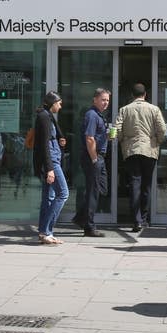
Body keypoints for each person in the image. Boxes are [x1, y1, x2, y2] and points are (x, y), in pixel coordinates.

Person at [113, 83, 167, 232]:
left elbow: (117, 130)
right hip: (149, 150)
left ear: (132, 95)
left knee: (134, 183)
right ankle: (144, 218)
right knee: (146, 185)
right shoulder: (154, 109)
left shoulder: (124, 110)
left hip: (131, 150)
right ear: (145, 95)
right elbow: (162, 129)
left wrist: (124, 140)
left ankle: (135, 220)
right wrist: (157, 141)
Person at [72, 88, 111, 238]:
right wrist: (94, 159)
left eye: (107, 100)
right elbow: (89, 138)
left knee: (101, 188)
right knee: (93, 191)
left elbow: (96, 136)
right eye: (103, 99)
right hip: (93, 157)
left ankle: (80, 217)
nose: (106, 103)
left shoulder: (100, 116)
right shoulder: (92, 115)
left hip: (98, 156)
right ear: (95, 99)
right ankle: (89, 226)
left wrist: (106, 137)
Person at [33, 91, 69, 244]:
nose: (60, 106)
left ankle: (44, 233)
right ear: (53, 103)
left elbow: (52, 135)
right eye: (59, 103)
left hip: (53, 160)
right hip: (51, 162)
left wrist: (60, 138)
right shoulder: (44, 117)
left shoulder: (47, 116)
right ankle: (46, 230)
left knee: (49, 198)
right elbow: (44, 145)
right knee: (63, 193)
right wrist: (49, 169)